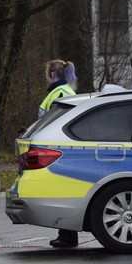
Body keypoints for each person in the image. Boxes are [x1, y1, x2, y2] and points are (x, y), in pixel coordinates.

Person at [39, 59, 79, 248]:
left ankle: (67, 235)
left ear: (51, 74)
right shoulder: (63, 92)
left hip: (59, 149)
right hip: (63, 147)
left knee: (62, 192)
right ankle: (67, 234)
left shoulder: (60, 94)